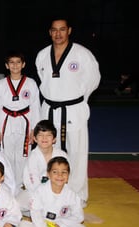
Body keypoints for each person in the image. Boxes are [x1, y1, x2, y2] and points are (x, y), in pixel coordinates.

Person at [35, 17, 101, 206]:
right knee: (47, 150)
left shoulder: (82, 54)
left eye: (62, 29)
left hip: (73, 110)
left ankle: (78, 196)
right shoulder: (42, 55)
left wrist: (78, 100)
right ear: (50, 32)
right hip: (49, 109)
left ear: (69, 31)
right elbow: (44, 80)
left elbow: (93, 80)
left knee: (77, 152)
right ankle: (49, 192)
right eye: (54, 30)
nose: (58, 33)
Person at [0, 50, 41, 191]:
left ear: (23, 64)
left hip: (25, 122)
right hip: (6, 122)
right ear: (7, 65)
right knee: (7, 156)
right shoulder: (1, 84)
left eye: (18, 62)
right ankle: (9, 188)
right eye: (11, 62)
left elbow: (36, 107)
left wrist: (35, 129)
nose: (15, 65)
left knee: (24, 155)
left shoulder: (31, 83)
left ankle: (23, 186)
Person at [18, 156, 87, 227]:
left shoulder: (71, 194)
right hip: (43, 223)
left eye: (64, 172)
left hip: (60, 224)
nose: (60, 175)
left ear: (68, 175)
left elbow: (79, 216)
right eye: (55, 172)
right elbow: (36, 212)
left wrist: (61, 226)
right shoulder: (40, 191)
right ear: (48, 174)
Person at [16, 120, 68, 215]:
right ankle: (39, 212)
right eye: (40, 135)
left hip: (57, 190)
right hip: (37, 192)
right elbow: (31, 181)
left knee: (70, 203)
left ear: (54, 139)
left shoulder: (61, 155)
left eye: (48, 135)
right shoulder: (33, 156)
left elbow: (65, 177)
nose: (44, 138)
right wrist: (44, 196)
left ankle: (47, 211)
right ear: (35, 138)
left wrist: (54, 193)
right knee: (16, 204)